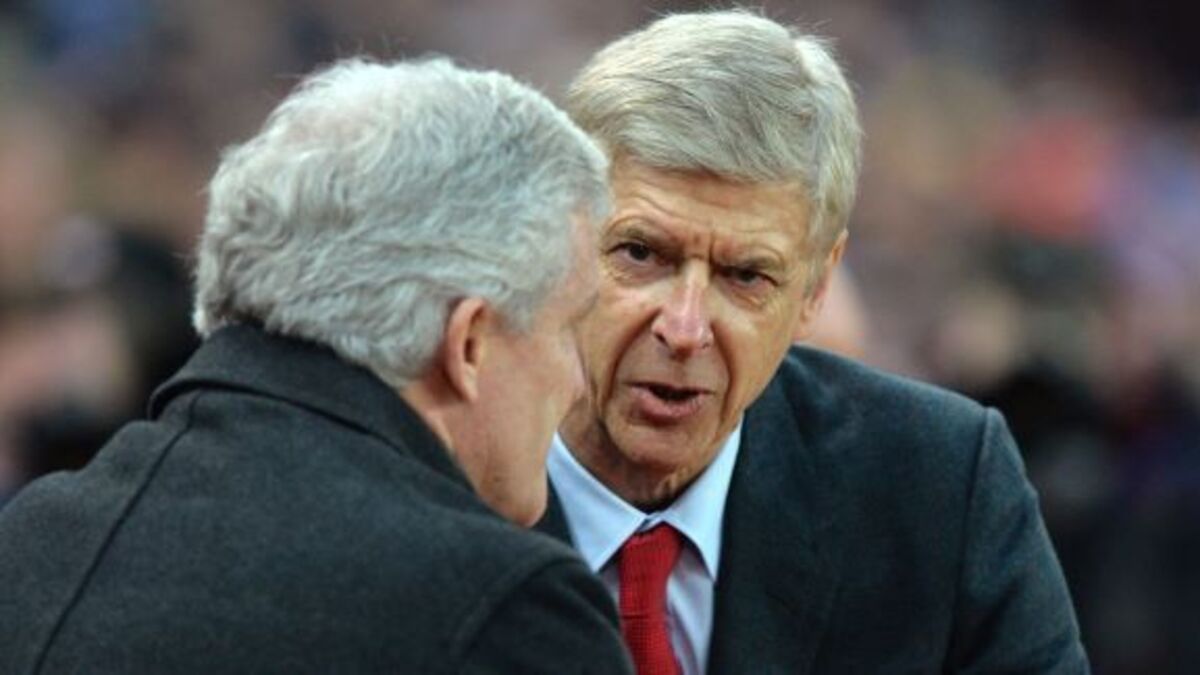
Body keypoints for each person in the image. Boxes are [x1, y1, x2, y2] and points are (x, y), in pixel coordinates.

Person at [0, 57, 633, 673]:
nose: (580, 385)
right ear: (468, 344)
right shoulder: (507, 612)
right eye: (568, 329)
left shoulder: (30, 544)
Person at [536, 10, 1090, 674]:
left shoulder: (939, 486)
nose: (684, 328)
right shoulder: (443, 473)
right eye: (641, 253)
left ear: (816, 288)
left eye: (746, 276)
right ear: (562, 238)